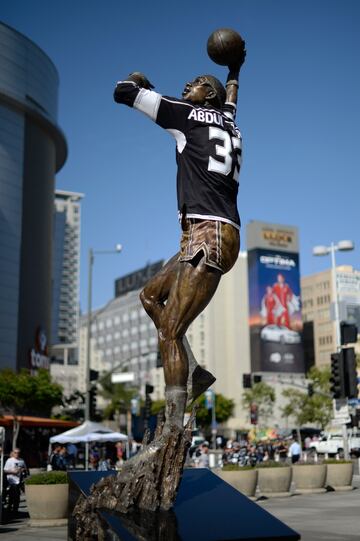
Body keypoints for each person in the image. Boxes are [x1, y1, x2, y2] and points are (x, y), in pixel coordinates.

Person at [114, 49, 246, 435]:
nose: (188, 85)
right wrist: (234, 71)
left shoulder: (186, 114)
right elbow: (232, 101)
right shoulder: (229, 124)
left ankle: (170, 429)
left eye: (198, 82)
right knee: (149, 296)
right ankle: (194, 369)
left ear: (208, 97)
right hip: (211, 233)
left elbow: (122, 92)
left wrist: (140, 79)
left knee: (169, 330)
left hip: (209, 233)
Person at [4, 448, 27, 513]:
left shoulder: (21, 460)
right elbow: (5, 470)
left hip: (19, 481)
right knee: (13, 496)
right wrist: (13, 472)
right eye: (15, 452)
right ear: (13, 453)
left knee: (17, 496)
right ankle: (10, 508)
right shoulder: (9, 460)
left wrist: (23, 471)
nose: (17, 454)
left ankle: (15, 510)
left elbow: (25, 469)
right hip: (11, 481)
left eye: (18, 453)